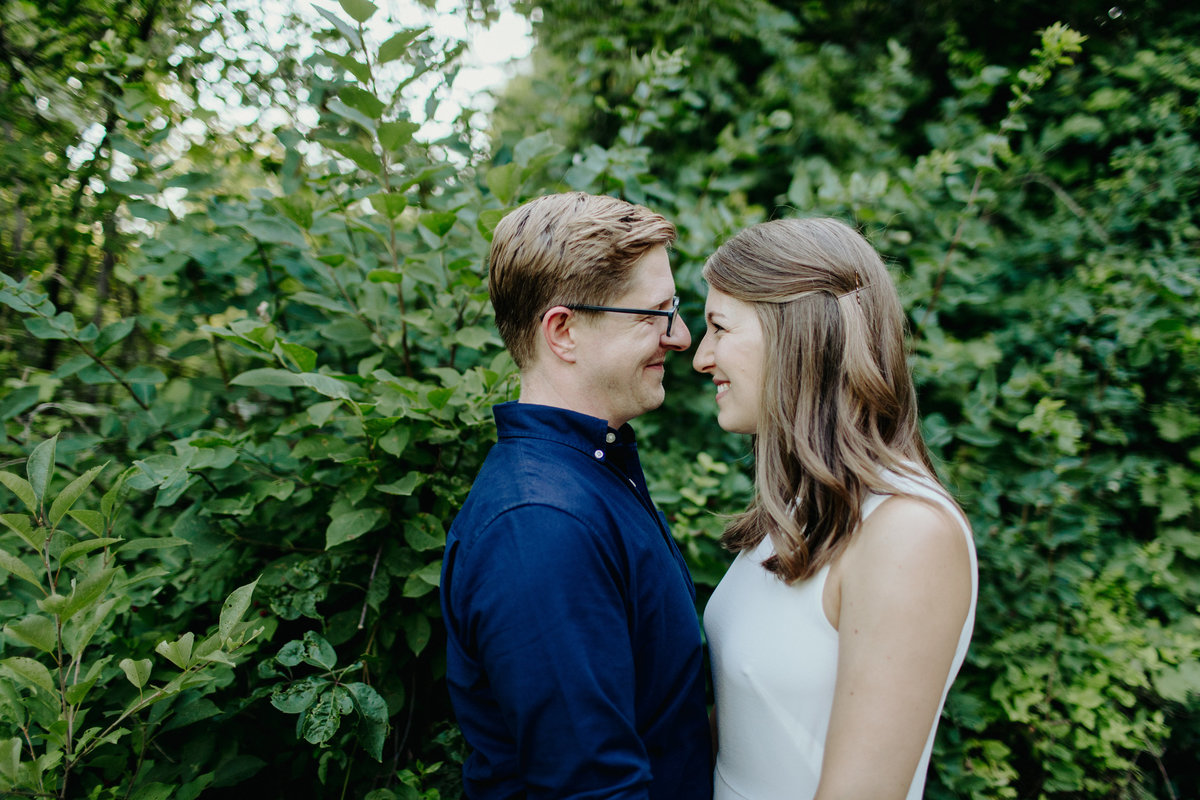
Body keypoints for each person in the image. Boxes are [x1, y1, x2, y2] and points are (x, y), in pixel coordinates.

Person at [692, 217, 978, 800]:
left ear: (796, 331)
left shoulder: (907, 533)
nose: (701, 357)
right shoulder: (797, 513)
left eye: (719, 327)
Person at [440, 192, 714, 800]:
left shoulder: (592, 471)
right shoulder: (539, 525)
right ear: (563, 331)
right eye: (654, 313)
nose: (682, 336)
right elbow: (589, 789)